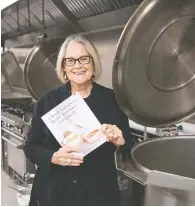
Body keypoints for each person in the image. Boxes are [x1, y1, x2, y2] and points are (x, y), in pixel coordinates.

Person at [23, 34, 131, 206]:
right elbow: (30, 147)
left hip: (97, 194)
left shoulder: (112, 100)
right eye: (70, 61)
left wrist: (121, 141)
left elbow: (128, 149)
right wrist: (52, 156)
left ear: (93, 63)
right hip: (55, 192)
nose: (78, 65)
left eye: (83, 59)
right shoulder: (48, 101)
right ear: (63, 67)